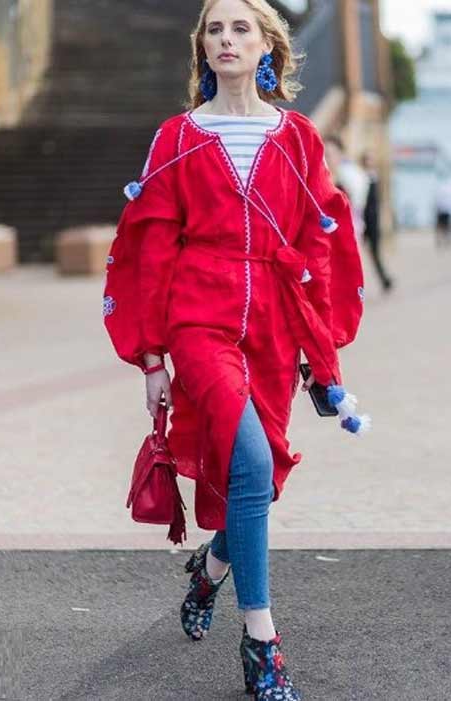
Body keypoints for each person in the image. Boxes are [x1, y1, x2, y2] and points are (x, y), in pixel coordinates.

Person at [102, 1, 364, 698]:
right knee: (249, 460)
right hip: (200, 320)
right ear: (202, 49)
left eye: (240, 27)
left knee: (262, 472)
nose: (226, 38)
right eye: (214, 28)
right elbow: (149, 246)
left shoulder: (298, 136)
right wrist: (152, 357)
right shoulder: (178, 136)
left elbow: (322, 238)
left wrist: (320, 340)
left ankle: (210, 569)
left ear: (267, 46)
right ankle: (262, 643)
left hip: (276, 324)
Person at [360, 152, 394, 292]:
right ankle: (383, 279)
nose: (370, 163)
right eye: (368, 160)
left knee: (375, 252)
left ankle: (384, 279)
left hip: (373, 221)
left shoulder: (375, 177)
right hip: (362, 220)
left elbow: (381, 199)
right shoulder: (360, 177)